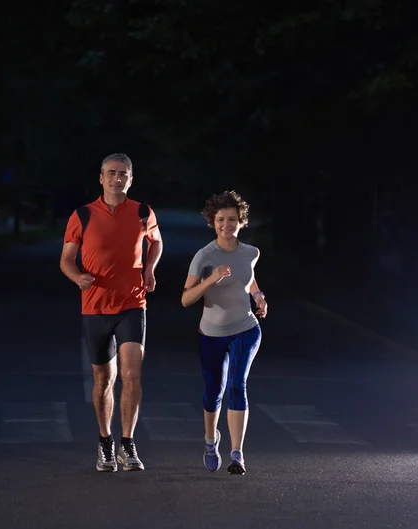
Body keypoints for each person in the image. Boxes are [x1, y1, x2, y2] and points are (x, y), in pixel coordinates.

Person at [60, 153, 163, 472]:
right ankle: (106, 442)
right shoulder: (83, 215)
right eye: (111, 173)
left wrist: (149, 268)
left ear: (131, 180)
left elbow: (156, 243)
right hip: (96, 306)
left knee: (132, 374)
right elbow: (66, 259)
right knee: (103, 377)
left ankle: (128, 444)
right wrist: (78, 277)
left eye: (123, 174)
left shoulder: (143, 212)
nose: (117, 179)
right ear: (101, 178)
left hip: (133, 303)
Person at [181, 190, 267, 475]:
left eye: (232, 219)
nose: (226, 225)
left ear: (241, 221)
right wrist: (211, 279)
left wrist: (259, 296)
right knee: (213, 392)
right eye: (220, 219)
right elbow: (186, 299)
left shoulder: (250, 253)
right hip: (212, 332)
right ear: (212, 222)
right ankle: (209, 441)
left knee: (237, 386)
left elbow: (249, 278)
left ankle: (237, 453)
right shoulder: (204, 256)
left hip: (246, 328)